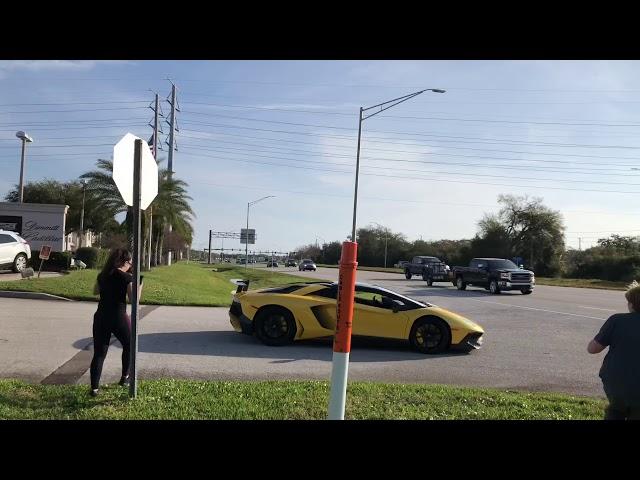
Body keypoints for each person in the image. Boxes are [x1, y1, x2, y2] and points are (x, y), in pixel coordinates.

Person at [89, 248, 143, 396]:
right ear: (125, 262)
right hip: (118, 317)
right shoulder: (126, 277)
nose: (131, 265)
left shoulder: (103, 275)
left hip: (101, 316)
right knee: (130, 344)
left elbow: (95, 291)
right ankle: (125, 377)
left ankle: (94, 388)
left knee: (99, 353)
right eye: (130, 262)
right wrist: (139, 282)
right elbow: (134, 300)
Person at [587, 281, 640, 419]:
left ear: (632, 304)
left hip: (616, 382)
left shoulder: (616, 320)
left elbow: (593, 349)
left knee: (616, 409)